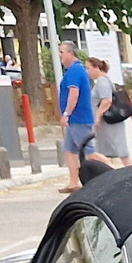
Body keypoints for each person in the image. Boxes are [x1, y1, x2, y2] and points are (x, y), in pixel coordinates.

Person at [55, 41, 94, 193]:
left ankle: (112, 173)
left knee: (88, 151)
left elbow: (74, 93)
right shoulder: (73, 70)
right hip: (75, 119)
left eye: (62, 52)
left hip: (79, 118)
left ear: (71, 53)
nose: (60, 55)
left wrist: (66, 113)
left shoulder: (75, 71)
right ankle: (73, 182)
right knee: (70, 150)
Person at [87, 57, 130, 165]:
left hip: (107, 121)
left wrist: (98, 115)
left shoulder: (102, 82)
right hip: (106, 121)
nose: (87, 72)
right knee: (108, 147)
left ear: (96, 67)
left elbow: (106, 100)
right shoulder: (103, 80)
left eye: (88, 68)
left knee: (118, 146)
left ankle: (129, 167)